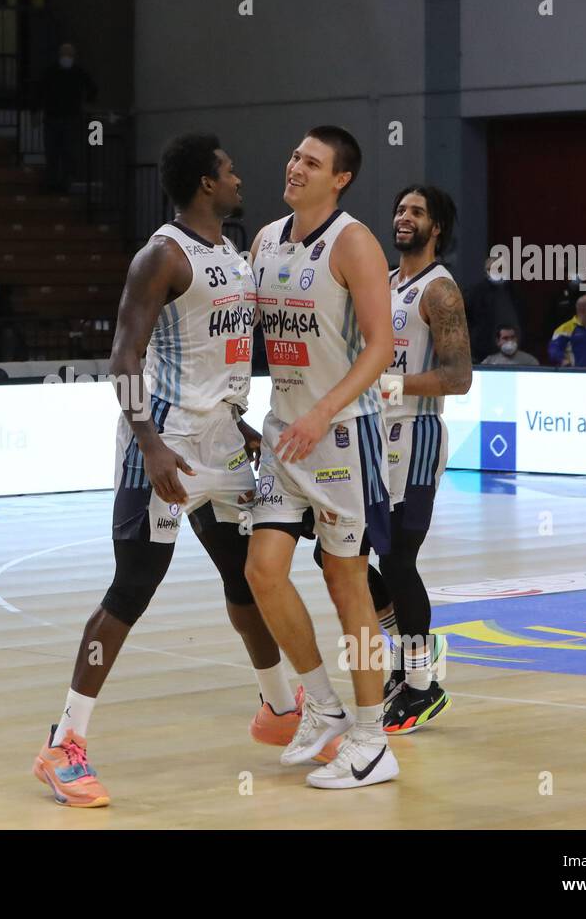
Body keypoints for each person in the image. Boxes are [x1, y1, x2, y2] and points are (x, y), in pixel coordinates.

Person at [31, 133, 307, 809]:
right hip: (167, 450)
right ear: (207, 184)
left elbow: (219, 356)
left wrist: (236, 418)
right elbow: (124, 360)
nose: (241, 175)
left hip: (223, 446)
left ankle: (278, 709)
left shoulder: (231, 254)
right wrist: (148, 443)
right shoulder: (161, 254)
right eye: (231, 167)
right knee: (132, 591)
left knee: (250, 580)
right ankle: (63, 744)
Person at [244, 125, 398, 789]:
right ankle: (325, 708)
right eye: (294, 155)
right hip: (284, 434)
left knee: (346, 584)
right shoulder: (265, 240)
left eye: (312, 161)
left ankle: (372, 739)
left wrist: (321, 410)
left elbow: (381, 346)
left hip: (341, 436)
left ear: (340, 179)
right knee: (262, 571)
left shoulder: (354, 241)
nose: (295, 165)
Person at [369, 184, 470, 733]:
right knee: (336, 554)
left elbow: (458, 377)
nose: (403, 216)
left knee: (398, 561)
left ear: (437, 228)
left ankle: (422, 686)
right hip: (372, 438)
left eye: (417, 211)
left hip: (416, 436)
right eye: (400, 207)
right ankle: (409, 658)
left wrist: (383, 387)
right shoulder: (384, 283)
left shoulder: (440, 291)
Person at [39, 43, 96, 193]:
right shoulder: (51, 72)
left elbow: (92, 89)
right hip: (54, 117)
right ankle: (52, 183)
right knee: (53, 152)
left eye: (69, 55)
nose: (67, 58)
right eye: (65, 54)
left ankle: (65, 182)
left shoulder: (78, 72)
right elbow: (40, 90)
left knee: (68, 152)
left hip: (70, 118)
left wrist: (87, 102)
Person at [463, 255, 524, 362]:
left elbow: (522, 316)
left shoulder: (513, 291)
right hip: (482, 353)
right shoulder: (476, 293)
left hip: (512, 352)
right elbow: (467, 321)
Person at [548, 294, 586, 367]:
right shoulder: (564, 329)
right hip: (575, 374)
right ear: (582, 308)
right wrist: (563, 360)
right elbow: (554, 350)